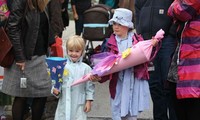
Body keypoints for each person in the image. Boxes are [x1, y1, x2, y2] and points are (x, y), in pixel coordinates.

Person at [89, 8, 158, 120]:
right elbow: (103, 66)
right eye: (114, 23)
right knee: (117, 110)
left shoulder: (137, 40)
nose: (116, 26)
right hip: (118, 84)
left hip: (133, 82)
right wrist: (97, 76)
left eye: (120, 24)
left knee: (132, 112)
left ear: (128, 26)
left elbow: (147, 58)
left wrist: (152, 46)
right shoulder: (109, 43)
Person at [1, 0, 55, 119]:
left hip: (39, 55)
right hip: (23, 56)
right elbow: (13, 28)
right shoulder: (20, 1)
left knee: (43, 92)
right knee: (21, 95)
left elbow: (43, 25)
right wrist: (20, 57)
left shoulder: (40, 2)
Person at [135, 0, 178, 120]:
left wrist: (171, 33)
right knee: (154, 85)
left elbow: (177, 10)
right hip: (147, 43)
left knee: (169, 83)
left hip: (166, 41)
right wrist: (140, 32)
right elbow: (137, 11)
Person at [167, 0, 200, 120]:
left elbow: (182, 11)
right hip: (182, 71)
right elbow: (171, 11)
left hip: (193, 74)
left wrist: (175, 4)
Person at [54, 35, 95, 120]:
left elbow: (89, 86)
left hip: (79, 103)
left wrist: (89, 100)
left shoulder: (86, 68)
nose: (74, 54)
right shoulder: (62, 66)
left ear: (82, 52)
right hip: (64, 102)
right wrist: (55, 91)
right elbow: (57, 82)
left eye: (77, 51)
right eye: (71, 51)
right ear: (67, 50)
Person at [0, 0, 12, 119]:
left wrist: (4, 19)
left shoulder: (7, 2)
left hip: (3, 42)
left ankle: (2, 112)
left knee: (1, 82)